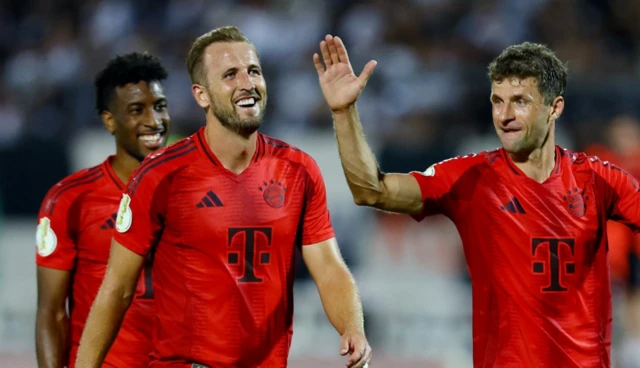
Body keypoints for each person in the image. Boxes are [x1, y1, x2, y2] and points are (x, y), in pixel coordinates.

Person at [314, 34, 640, 367]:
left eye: (520, 101)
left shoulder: (600, 180)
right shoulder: (471, 178)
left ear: (554, 107)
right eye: (497, 101)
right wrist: (344, 112)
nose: (505, 115)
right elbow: (372, 190)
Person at [75, 26, 372, 368]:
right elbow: (117, 288)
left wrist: (353, 328)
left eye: (254, 71)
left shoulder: (298, 170)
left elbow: (329, 268)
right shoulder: (160, 176)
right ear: (202, 95)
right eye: (230, 74)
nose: (247, 83)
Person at [35, 52, 171, 368]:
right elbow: (52, 313)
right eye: (137, 110)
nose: (154, 120)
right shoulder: (70, 199)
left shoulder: (195, 192)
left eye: (160, 106)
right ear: (110, 120)